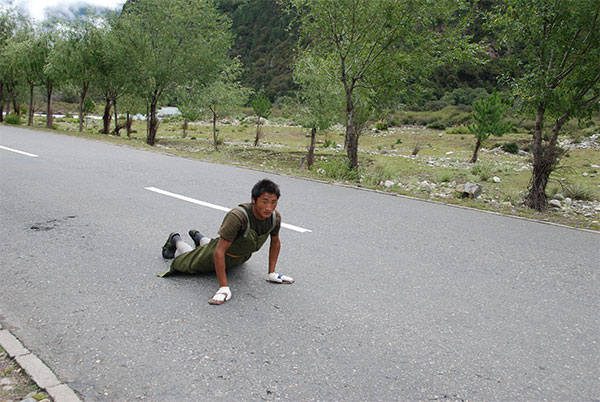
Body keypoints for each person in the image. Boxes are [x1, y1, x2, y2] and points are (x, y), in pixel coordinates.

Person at [158, 179, 294, 305]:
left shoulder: (274, 217)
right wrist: (223, 287)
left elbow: (275, 242)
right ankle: (175, 239)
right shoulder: (237, 217)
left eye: (273, 202)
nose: (269, 207)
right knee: (189, 259)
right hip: (218, 254)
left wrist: (272, 273)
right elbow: (219, 250)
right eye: (264, 201)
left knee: (213, 244)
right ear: (253, 200)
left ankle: (198, 236)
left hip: (237, 255)